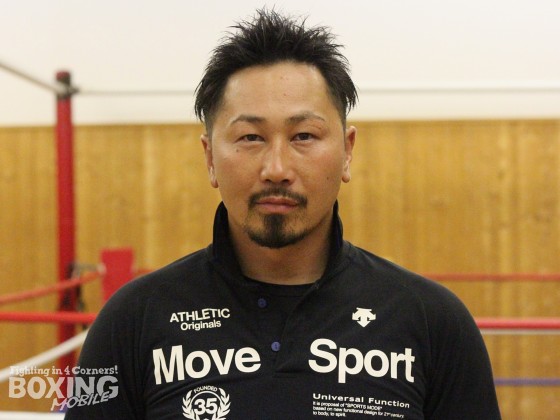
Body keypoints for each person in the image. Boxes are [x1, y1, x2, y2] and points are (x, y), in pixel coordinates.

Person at [65, 8, 501, 419]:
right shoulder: (128, 321)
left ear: (347, 152)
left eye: (304, 135)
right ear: (210, 158)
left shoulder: (435, 322)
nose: (276, 169)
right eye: (250, 137)